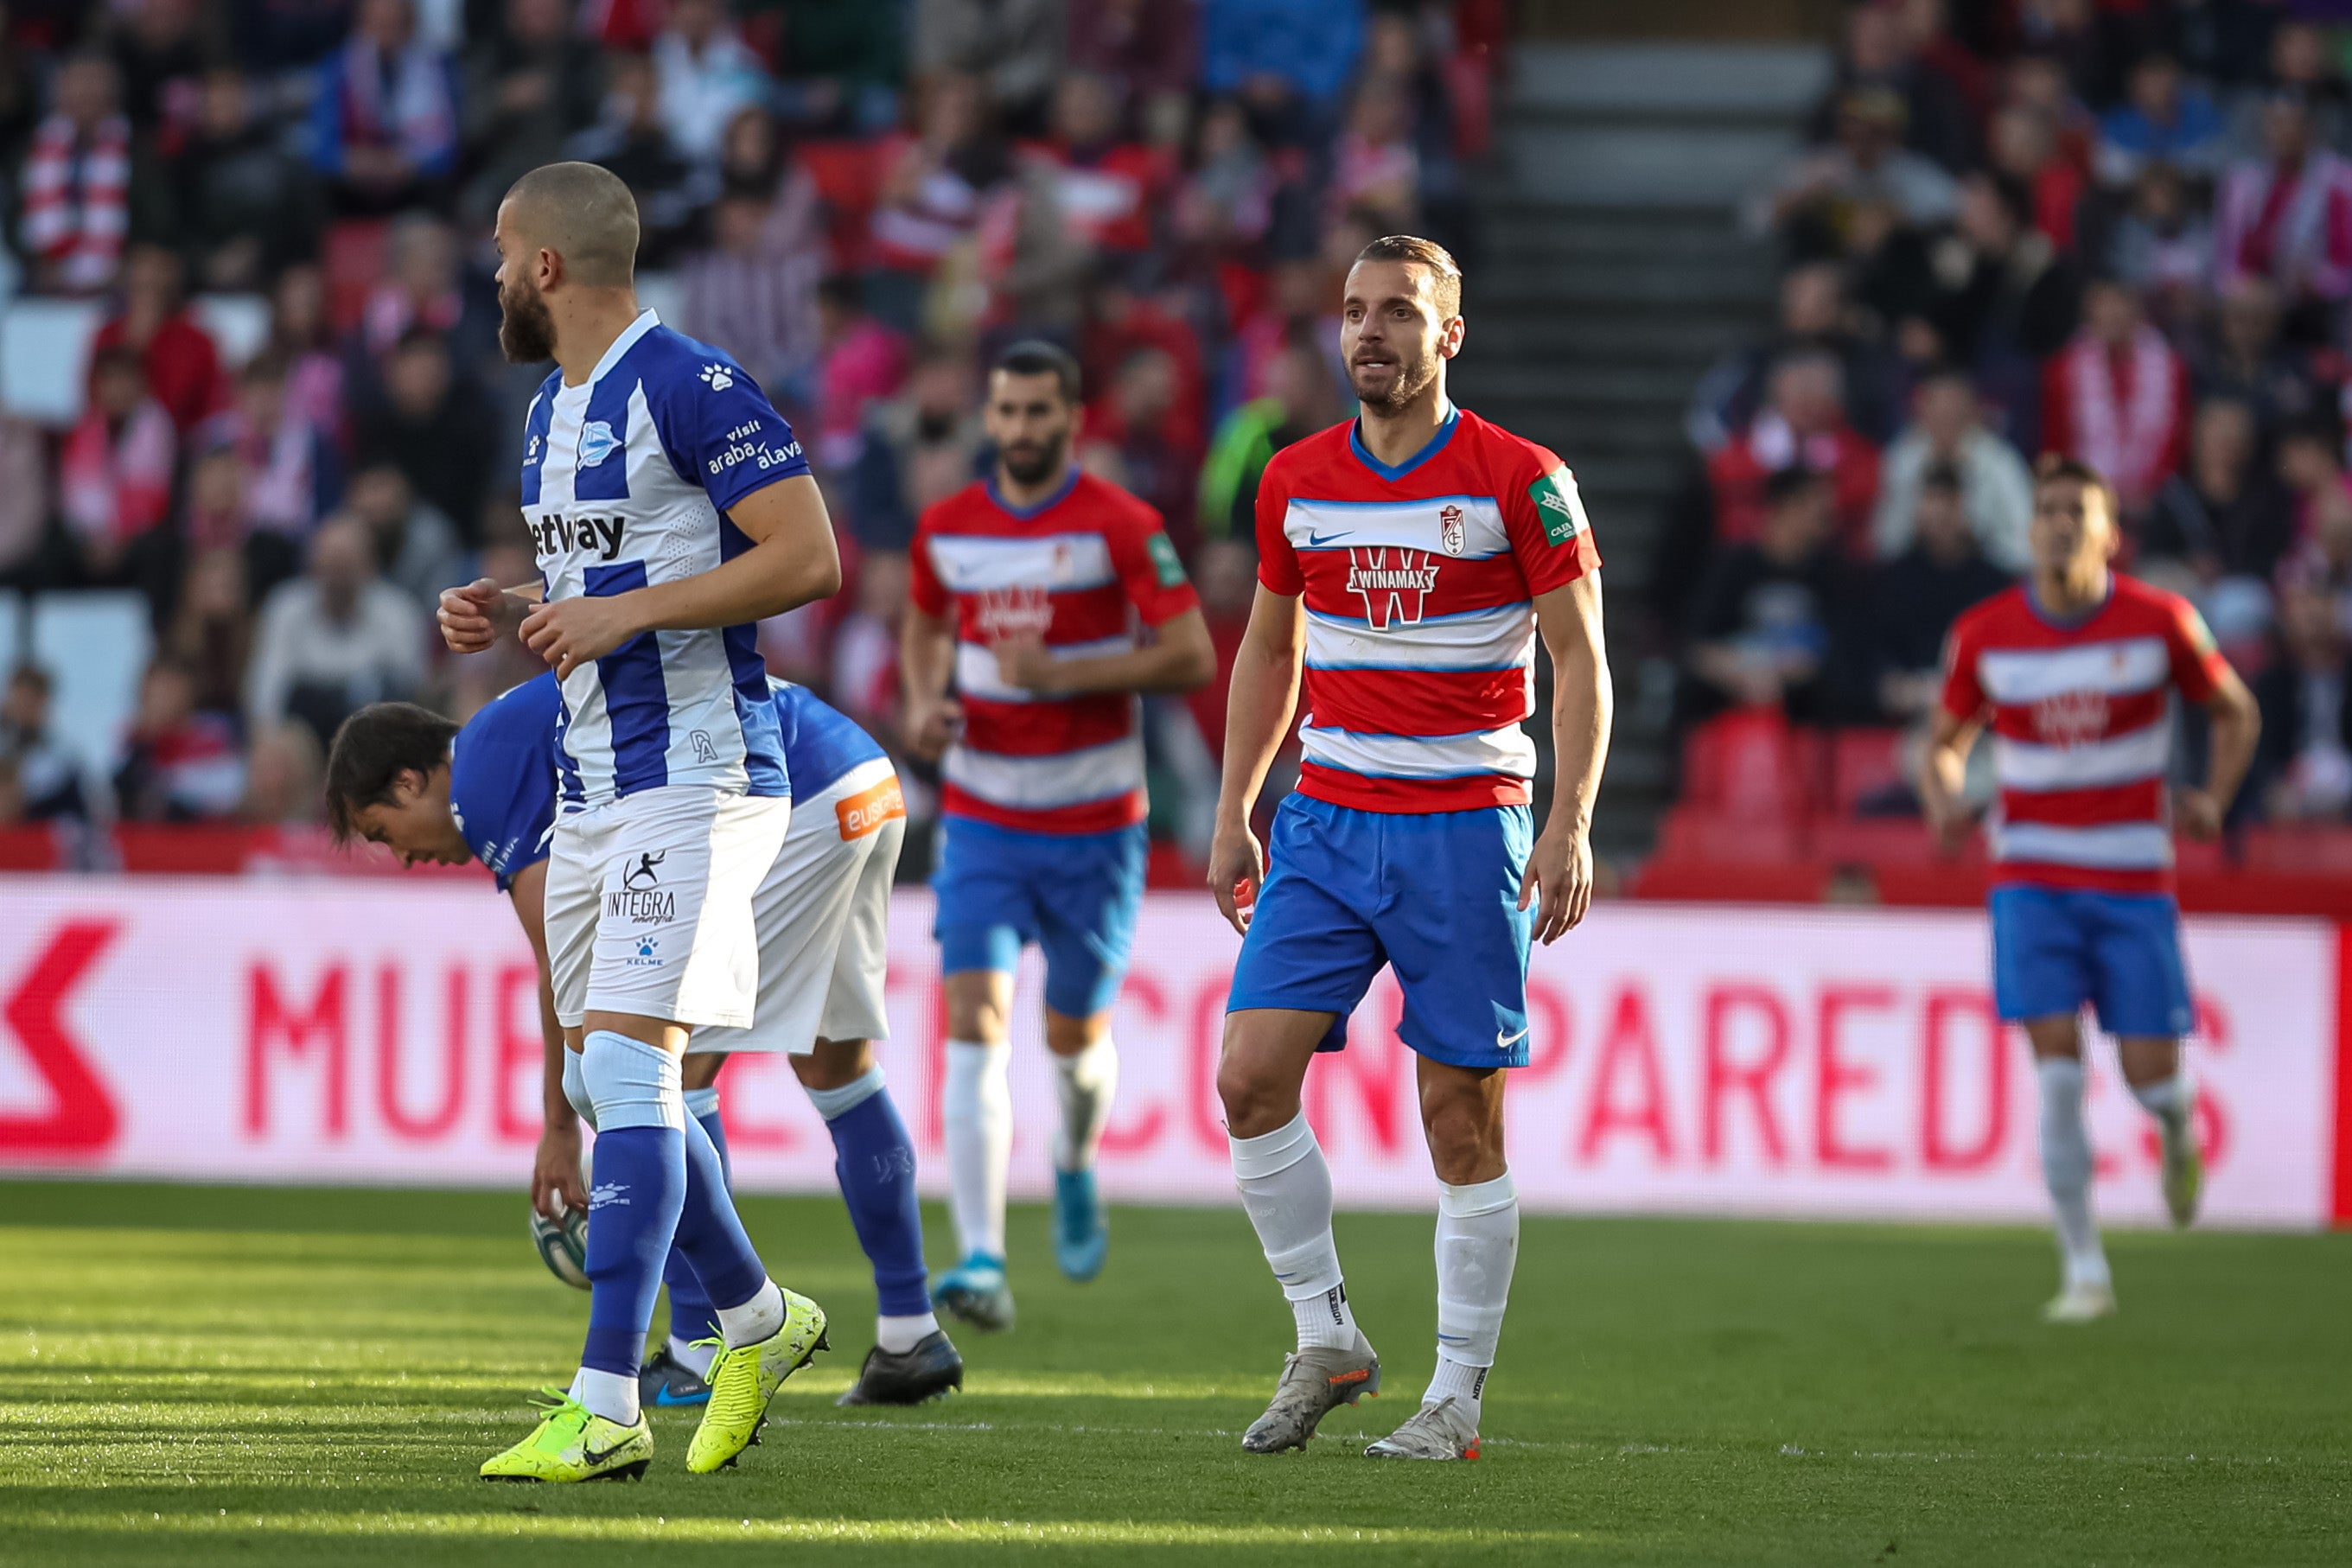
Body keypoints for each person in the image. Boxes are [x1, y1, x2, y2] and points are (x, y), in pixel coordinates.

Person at [435, 160, 843, 1483]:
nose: (493, 275)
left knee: (623, 1075)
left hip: (705, 772)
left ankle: (605, 1399)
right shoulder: (551, 406)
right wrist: (512, 601)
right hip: (598, 776)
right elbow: (609, 572)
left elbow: (807, 555)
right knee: (600, 1081)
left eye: (503, 253)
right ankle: (761, 1320)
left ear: (547, 266)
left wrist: (625, 614)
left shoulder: (692, 380)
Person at [1206, 235, 1609, 1461]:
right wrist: (1238, 806)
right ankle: (1325, 1332)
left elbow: (1579, 655)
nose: (1369, 332)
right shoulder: (1295, 478)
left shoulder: (1521, 478)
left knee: (1459, 1122)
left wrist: (1570, 819)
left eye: (1397, 313)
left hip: (1462, 826)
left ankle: (1456, 1399)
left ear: (1449, 336)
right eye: (1353, 312)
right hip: (1326, 818)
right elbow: (1272, 650)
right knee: (1248, 1075)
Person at [324, 674, 964, 1408]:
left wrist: (560, 1128)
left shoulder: (478, 777)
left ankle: (700, 1350)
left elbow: (566, 966)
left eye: (382, 833)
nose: (402, 856)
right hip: (860, 780)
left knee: (654, 1067)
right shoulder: (511, 734)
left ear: (409, 783)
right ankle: (910, 1331)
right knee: (834, 1065)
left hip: (789, 796)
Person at [901, 340, 1215, 1330]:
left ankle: (1076, 1161)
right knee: (973, 1022)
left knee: (1074, 1037)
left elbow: (1191, 653)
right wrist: (921, 704)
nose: (1023, 429)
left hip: (1094, 824)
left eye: (1042, 411)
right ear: (989, 418)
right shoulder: (948, 530)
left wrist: (1065, 673)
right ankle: (981, 1256)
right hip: (985, 816)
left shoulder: (1121, 526)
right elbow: (924, 627)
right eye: (1009, 411)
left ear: (1072, 419)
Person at [1919, 456, 2260, 1325]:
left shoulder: (2160, 622)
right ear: (2030, 527)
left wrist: (2216, 799)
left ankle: (2175, 1125)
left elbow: (2237, 710)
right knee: (2061, 1078)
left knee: (2151, 1081)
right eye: (2048, 509)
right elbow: (1944, 742)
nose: (2062, 522)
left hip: (2132, 882)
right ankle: (2084, 1271)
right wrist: (1947, 800)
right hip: (2030, 879)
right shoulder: (1986, 632)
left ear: (2110, 530)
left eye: (2079, 509)